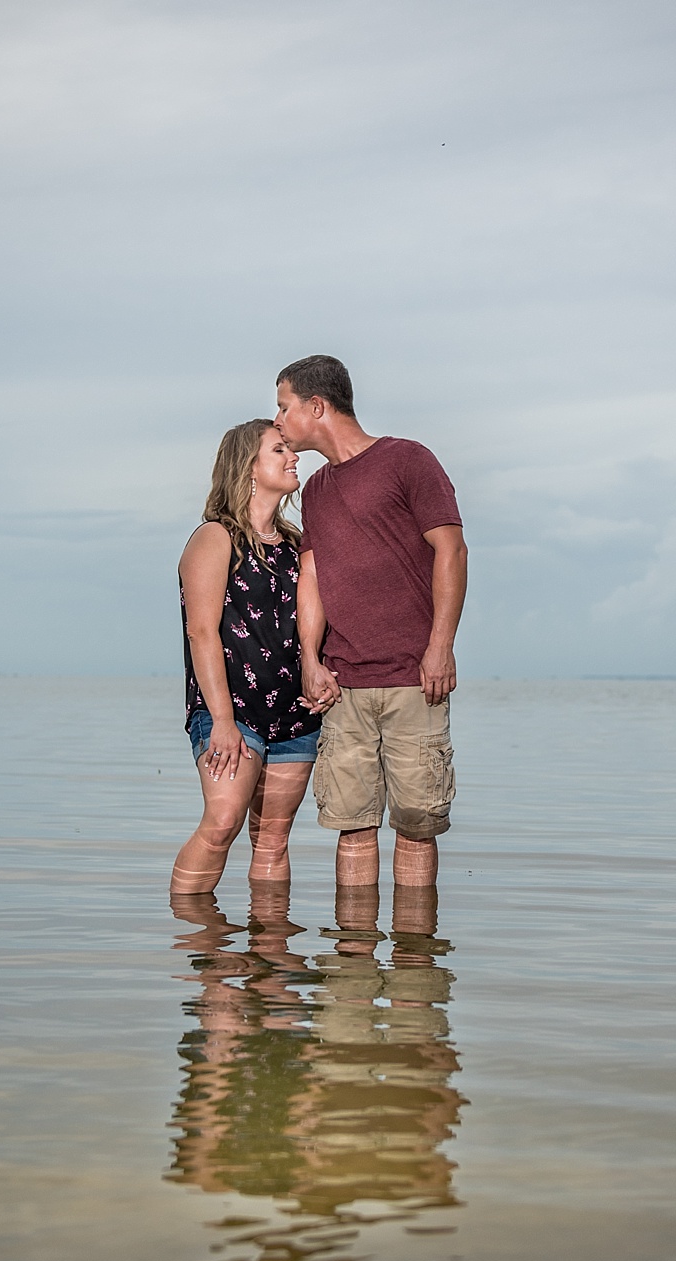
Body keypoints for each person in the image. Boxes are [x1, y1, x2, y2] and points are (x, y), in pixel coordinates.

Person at [275, 355, 467, 890]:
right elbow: (310, 576)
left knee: (416, 829)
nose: (279, 421)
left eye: (284, 407)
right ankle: (351, 965)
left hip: (415, 679)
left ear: (317, 406)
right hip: (344, 687)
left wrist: (440, 647)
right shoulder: (313, 491)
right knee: (352, 829)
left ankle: (413, 962)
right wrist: (309, 660)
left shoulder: (408, 461)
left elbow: (450, 549)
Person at [170, 419, 324, 894]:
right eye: (280, 450)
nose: (294, 455)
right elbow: (201, 633)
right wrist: (220, 720)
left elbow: (311, 625)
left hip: (295, 713)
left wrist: (320, 670)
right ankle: (201, 952)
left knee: (273, 840)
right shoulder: (215, 538)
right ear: (249, 469)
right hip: (231, 712)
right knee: (221, 823)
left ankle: (270, 961)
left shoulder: (299, 546)